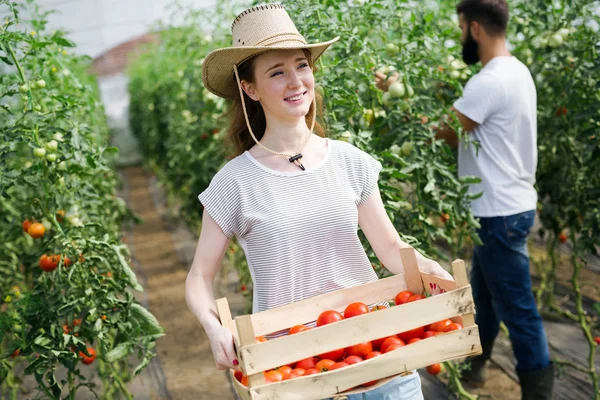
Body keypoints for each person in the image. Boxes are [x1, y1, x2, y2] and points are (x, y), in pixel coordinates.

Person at [185, 4, 453, 399]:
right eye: (277, 72)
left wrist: (435, 273)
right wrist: (214, 327)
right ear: (250, 88)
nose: (296, 82)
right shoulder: (235, 182)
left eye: (302, 66)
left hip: (378, 352)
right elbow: (199, 277)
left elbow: (391, 249)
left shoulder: (349, 161)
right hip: (295, 371)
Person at [376, 0, 553, 399]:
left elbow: (443, 131)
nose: (460, 37)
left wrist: (397, 94)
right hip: (511, 204)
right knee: (486, 297)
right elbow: (466, 137)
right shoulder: (518, 71)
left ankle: (539, 392)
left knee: (519, 310)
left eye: (460, 28)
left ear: (474, 28)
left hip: (498, 212)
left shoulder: (489, 81)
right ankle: (477, 371)